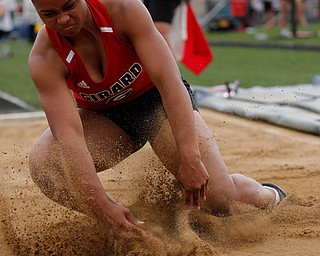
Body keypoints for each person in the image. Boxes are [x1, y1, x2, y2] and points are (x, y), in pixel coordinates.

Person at [28, 0, 286, 237]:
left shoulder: (123, 9)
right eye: (48, 14)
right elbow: (69, 136)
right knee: (45, 165)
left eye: (69, 6)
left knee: (219, 199)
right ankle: (137, 226)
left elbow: (169, 83)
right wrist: (101, 206)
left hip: (158, 103)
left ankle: (271, 194)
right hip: (105, 117)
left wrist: (190, 156)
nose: (62, 20)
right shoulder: (44, 57)